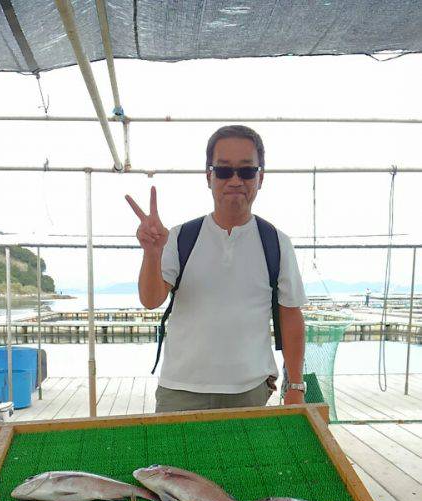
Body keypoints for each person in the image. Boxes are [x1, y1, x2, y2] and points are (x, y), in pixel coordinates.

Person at [126, 125, 307, 413]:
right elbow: (151, 300)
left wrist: (295, 386)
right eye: (223, 171)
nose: (235, 180)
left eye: (246, 171)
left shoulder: (277, 243)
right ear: (209, 177)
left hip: (250, 391)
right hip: (179, 391)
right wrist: (152, 253)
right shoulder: (179, 237)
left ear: (260, 178)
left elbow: (291, 316)